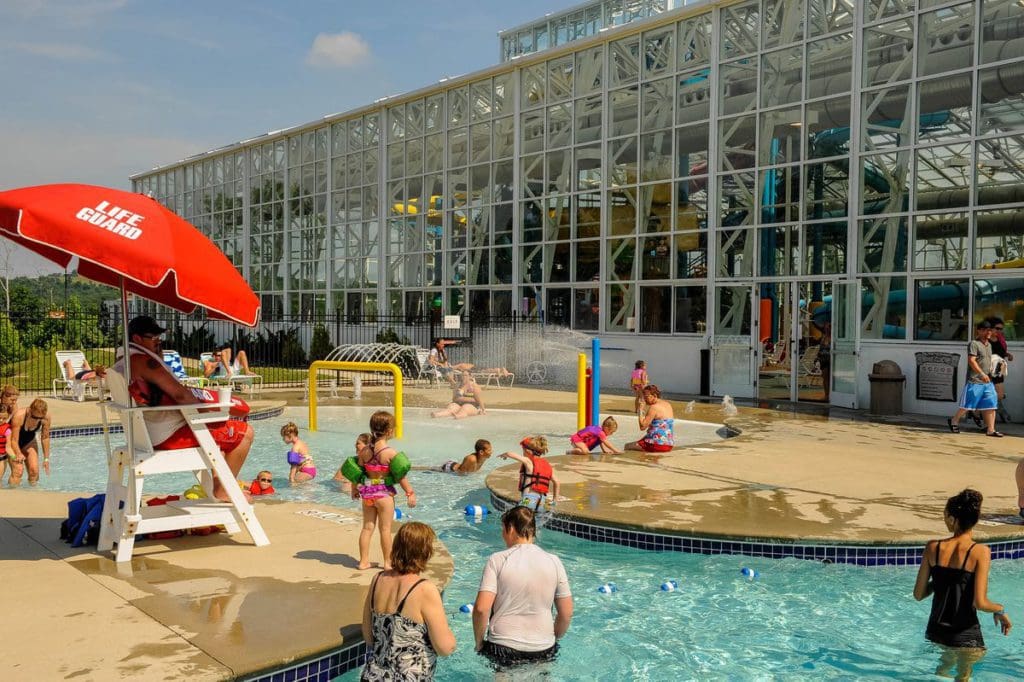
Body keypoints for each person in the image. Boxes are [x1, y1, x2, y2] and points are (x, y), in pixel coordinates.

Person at [115, 315, 255, 502]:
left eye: (160, 338)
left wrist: (158, 351)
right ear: (137, 339)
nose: (158, 342)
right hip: (167, 436)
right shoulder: (145, 362)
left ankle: (220, 483)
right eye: (154, 338)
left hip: (145, 434)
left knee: (218, 436)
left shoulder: (123, 362)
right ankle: (222, 490)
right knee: (246, 433)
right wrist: (208, 414)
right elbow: (181, 395)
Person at [913, 489, 1011, 681]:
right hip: (965, 635)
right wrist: (1000, 609)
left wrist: (941, 580)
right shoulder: (980, 552)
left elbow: (918, 594)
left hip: (936, 631)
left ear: (953, 519)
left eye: (945, 516)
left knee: (943, 670)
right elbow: (981, 603)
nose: (944, 520)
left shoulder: (933, 547)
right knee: (964, 676)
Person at [473, 506, 573, 671]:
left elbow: (481, 608)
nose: (502, 535)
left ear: (510, 528)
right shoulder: (554, 561)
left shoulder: (497, 560)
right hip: (543, 648)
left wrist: (479, 642)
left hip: (503, 646)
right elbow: (566, 612)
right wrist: (552, 637)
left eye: (503, 529)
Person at [360, 522, 456, 680]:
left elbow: (369, 636)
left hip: (373, 675)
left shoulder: (377, 580)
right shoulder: (424, 589)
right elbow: (444, 648)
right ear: (425, 552)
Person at [354, 411, 416, 570]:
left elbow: (358, 473)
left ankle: (363, 562)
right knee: (385, 529)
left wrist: (354, 490)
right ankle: (388, 563)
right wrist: (410, 493)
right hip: (383, 494)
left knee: (367, 528)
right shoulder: (390, 453)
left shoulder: (364, 451)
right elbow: (401, 477)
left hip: (367, 493)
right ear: (389, 431)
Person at [948, 321, 1002, 437]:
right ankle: (954, 420)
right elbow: (971, 361)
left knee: (991, 405)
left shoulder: (989, 345)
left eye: (990, 330)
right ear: (979, 331)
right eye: (986, 330)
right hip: (975, 381)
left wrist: (997, 366)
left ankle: (991, 430)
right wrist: (982, 374)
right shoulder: (974, 344)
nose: (989, 332)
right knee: (967, 405)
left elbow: (989, 361)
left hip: (988, 381)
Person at [499, 436, 560, 512]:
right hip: (542, 502)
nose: (523, 453)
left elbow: (509, 454)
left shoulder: (529, 462)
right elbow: (557, 482)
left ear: (528, 451)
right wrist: (554, 501)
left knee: (518, 519)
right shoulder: (547, 465)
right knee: (535, 522)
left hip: (528, 500)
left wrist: (504, 455)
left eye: (523, 450)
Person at [8, 398, 52, 485]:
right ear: (29, 410)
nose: (36, 420)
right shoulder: (19, 416)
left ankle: (33, 494)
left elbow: (45, 438)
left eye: (40, 418)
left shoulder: (46, 418)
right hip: (12, 443)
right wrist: (18, 453)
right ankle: (12, 494)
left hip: (29, 442)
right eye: (34, 417)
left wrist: (46, 459)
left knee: (34, 472)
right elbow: (13, 440)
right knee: (18, 470)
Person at [625, 384, 675, 452]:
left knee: (627, 446)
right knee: (641, 440)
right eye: (644, 397)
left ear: (654, 396)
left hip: (656, 445)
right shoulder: (668, 404)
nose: (644, 400)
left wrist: (640, 409)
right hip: (669, 444)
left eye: (646, 397)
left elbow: (642, 427)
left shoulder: (654, 407)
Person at [987, 316, 1013, 423]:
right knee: (990, 394)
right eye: (997, 328)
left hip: (999, 369)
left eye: (1001, 329)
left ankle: (997, 411)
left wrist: (1007, 354)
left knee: (999, 395)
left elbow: (1001, 352)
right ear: (991, 328)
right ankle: (988, 417)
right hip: (988, 370)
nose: (999, 331)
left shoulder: (1000, 339)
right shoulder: (985, 341)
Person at [418, 439, 493, 474]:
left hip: (455, 466)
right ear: (481, 452)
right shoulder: (471, 459)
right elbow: (460, 472)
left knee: (431, 468)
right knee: (430, 469)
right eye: (489, 450)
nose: (491, 452)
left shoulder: (483, 457)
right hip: (449, 468)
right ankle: (414, 468)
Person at [818, 321, 832, 402]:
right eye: (826, 326)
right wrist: (818, 357)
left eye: (829, 326)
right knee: (825, 378)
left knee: (831, 378)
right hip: (823, 359)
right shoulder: (823, 337)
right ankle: (826, 395)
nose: (827, 328)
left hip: (830, 359)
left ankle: (831, 395)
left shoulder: (833, 337)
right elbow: (820, 349)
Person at [0, 406, 12, 484]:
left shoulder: (7, 430)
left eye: (4, 418)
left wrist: (14, 457)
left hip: (2, 458)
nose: (1, 420)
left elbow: (8, 447)